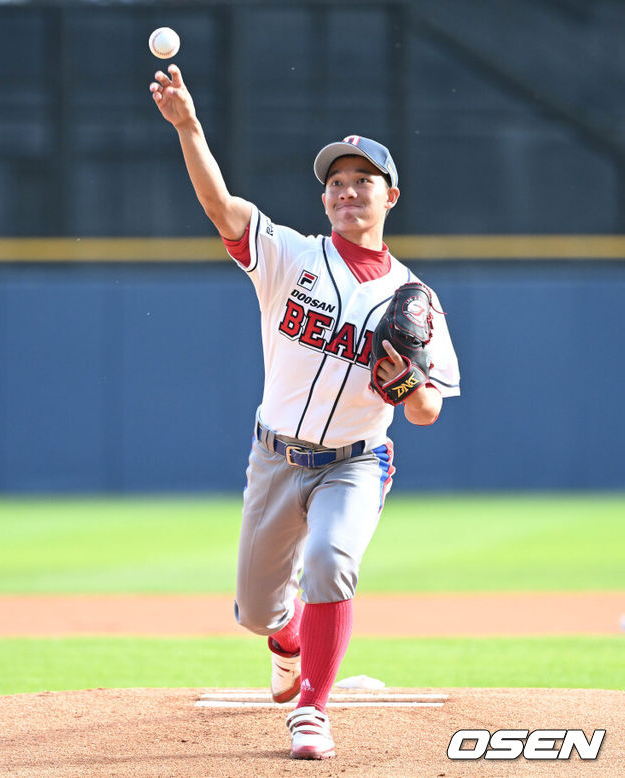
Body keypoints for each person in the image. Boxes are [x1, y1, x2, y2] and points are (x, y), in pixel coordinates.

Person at [150, 64, 459, 759]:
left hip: (355, 464)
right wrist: (189, 127)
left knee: (329, 559)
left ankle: (313, 709)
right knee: (256, 611)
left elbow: (428, 412)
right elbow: (219, 206)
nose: (348, 192)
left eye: (363, 182)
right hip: (275, 457)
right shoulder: (291, 258)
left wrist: (409, 386)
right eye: (337, 183)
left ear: (391, 195)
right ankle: (286, 637)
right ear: (325, 198)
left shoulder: (415, 300)